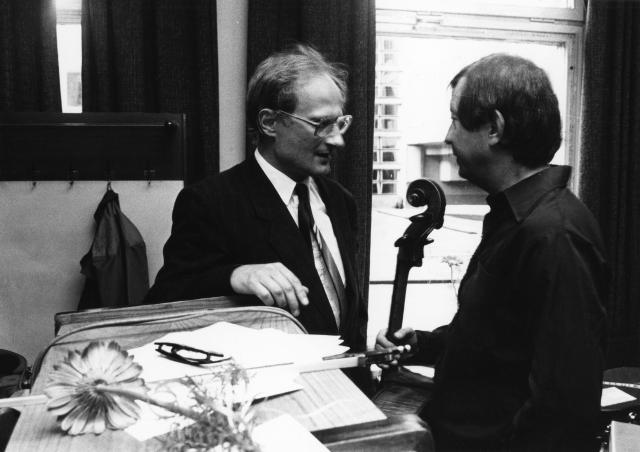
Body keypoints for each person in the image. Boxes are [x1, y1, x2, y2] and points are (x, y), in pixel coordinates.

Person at [376, 54, 608, 451]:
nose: (447, 136)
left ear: (495, 128)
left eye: (455, 119)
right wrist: (425, 344)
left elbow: (562, 410)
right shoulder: (515, 218)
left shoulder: (555, 234)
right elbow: (497, 344)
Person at [145, 44, 367, 355]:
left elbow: (345, 312)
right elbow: (166, 297)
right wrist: (235, 275)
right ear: (269, 123)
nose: (337, 140)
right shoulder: (210, 202)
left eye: (340, 123)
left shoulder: (342, 201)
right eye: (321, 124)